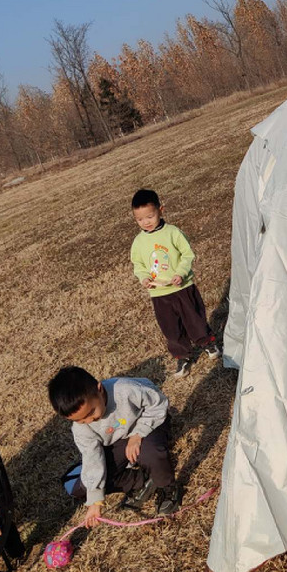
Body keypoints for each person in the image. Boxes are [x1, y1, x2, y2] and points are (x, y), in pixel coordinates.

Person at [47, 366, 181, 523]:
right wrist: (95, 499)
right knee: (86, 485)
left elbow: (158, 403)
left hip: (148, 425)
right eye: (80, 420)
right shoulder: (81, 428)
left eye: (91, 413)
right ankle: (143, 480)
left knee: (150, 453)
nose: (88, 421)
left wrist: (138, 434)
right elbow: (92, 458)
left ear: (99, 389)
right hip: (118, 441)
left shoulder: (124, 390)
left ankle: (167, 487)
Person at [130, 188, 219, 377]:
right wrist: (144, 277)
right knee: (170, 327)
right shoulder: (138, 242)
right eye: (140, 219)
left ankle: (207, 342)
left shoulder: (172, 233)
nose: (145, 222)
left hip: (182, 287)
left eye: (150, 216)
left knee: (193, 318)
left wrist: (180, 273)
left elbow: (187, 254)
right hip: (159, 293)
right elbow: (138, 264)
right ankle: (182, 356)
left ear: (161, 210)